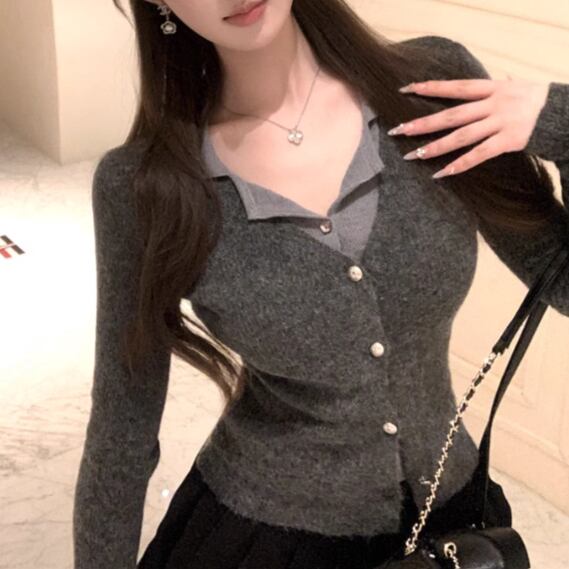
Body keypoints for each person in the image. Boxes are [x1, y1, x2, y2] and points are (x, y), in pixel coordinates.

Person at [72, 1, 569, 568]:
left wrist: (561, 121)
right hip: (264, 543)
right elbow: (121, 430)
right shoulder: (143, 186)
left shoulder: (431, 87)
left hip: (450, 526)